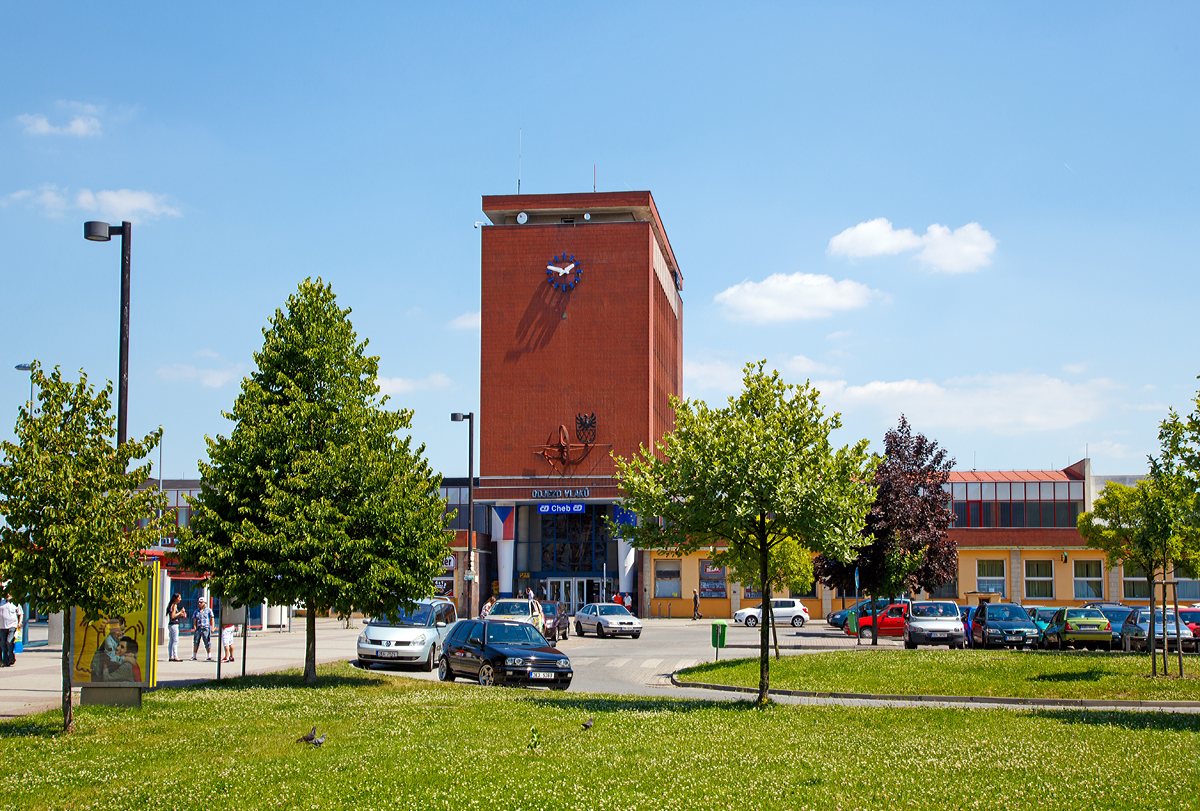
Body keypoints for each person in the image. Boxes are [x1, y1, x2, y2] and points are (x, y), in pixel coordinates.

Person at [0, 594, 20, 667]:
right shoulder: (1, 602)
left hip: (12, 626)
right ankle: (6, 661)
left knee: (9, 641)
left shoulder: (15, 602)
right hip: (2, 626)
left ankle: (11, 657)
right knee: (3, 644)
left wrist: (19, 622)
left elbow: (20, 613)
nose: (8, 595)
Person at [166, 594, 185, 662]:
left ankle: (171, 656)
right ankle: (175, 656)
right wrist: (180, 612)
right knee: (175, 641)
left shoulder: (171, 605)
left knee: (171, 641)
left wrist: (180, 614)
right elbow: (173, 616)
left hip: (171, 625)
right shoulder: (174, 605)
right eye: (179, 598)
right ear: (176, 598)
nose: (180, 599)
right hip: (174, 625)